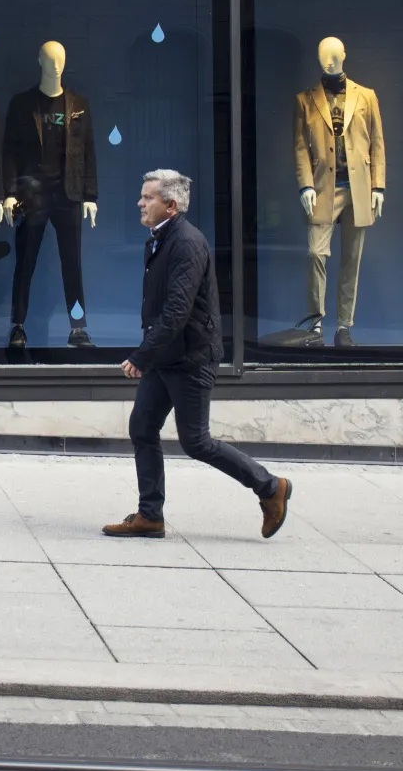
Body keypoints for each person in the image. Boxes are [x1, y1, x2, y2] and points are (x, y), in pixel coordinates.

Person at [103, 170, 292, 540]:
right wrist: (153, 352)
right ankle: (150, 515)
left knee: (197, 442)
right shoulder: (159, 239)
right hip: (166, 356)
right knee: (142, 426)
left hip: (190, 358)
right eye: (142, 196)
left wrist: (142, 355)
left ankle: (270, 487)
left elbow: (177, 309)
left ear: (170, 206)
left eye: (148, 198)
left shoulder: (187, 243)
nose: (140, 203)